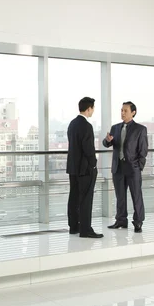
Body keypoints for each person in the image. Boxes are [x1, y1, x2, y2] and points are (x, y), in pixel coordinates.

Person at [103, 101, 148, 233]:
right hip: (118, 168)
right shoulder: (115, 128)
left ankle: (138, 222)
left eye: (125, 111)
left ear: (133, 112)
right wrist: (107, 141)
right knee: (120, 196)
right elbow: (106, 144)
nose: (122, 113)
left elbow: (143, 150)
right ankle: (121, 220)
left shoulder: (140, 129)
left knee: (136, 196)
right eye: (121, 110)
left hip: (133, 168)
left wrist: (138, 166)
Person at [66, 97, 103, 238]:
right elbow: (88, 149)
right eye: (92, 108)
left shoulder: (72, 124)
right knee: (86, 198)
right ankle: (86, 229)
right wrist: (93, 164)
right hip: (85, 168)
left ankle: (74, 226)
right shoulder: (86, 126)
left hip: (73, 167)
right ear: (89, 109)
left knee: (74, 197)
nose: (93, 111)